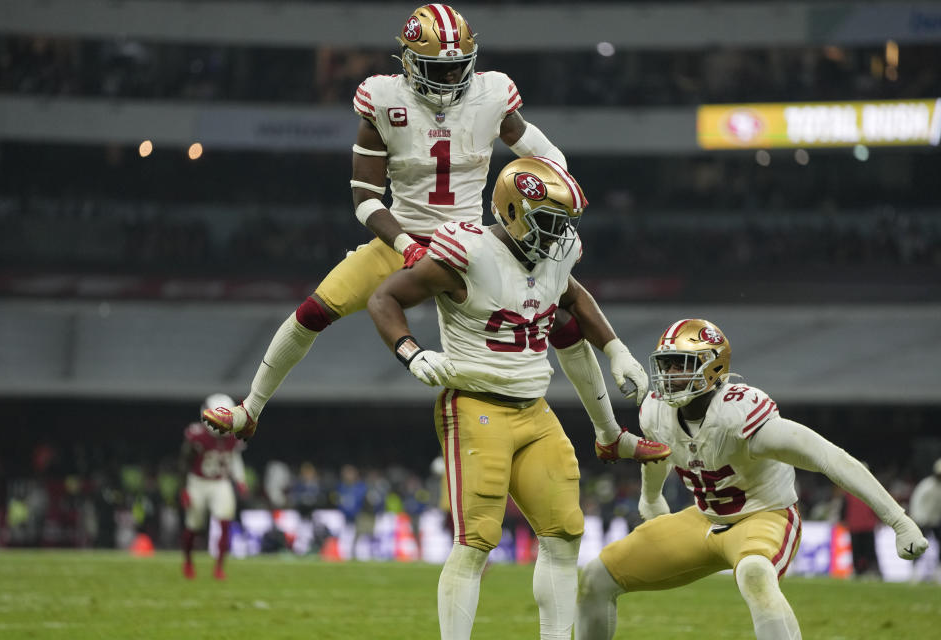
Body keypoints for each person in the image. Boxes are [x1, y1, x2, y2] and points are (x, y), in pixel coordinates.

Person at [202, 4, 650, 441]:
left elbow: (550, 158)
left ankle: (609, 433)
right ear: (410, 63)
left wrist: (546, 200)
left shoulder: (491, 94)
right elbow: (365, 199)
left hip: (474, 246)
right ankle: (250, 409)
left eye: (459, 67)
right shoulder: (383, 100)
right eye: (440, 68)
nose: (452, 78)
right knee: (313, 312)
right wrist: (405, 247)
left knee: (561, 321)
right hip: (404, 237)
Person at [366, 156, 670, 640]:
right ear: (513, 210)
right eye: (550, 222)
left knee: (565, 532)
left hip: (534, 408)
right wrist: (412, 353)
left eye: (564, 223)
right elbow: (383, 298)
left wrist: (615, 350)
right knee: (476, 542)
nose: (559, 235)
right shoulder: (467, 250)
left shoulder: (555, 254)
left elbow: (573, 296)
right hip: (474, 403)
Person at [575, 318, 929, 640]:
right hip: (704, 519)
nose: (668, 374)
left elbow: (827, 456)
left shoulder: (738, 415)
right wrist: (650, 499)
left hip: (764, 516)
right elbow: (660, 453)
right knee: (595, 578)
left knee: (755, 574)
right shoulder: (656, 411)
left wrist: (898, 520)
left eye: (680, 365)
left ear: (712, 367)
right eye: (665, 364)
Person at [181, 393, 248, 580]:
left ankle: (219, 568)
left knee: (225, 522)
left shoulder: (234, 434)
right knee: (193, 526)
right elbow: (184, 462)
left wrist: (240, 480)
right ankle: (188, 561)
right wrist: (184, 489)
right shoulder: (197, 435)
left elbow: (235, 458)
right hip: (198, 482)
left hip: (221, 482)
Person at [910, 458, 941, 582]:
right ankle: (915, 572)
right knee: (918, 546)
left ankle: (938, 572)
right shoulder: (926, 485)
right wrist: (919, 519)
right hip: (922, 520)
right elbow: (916, 502)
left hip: (936, 520)